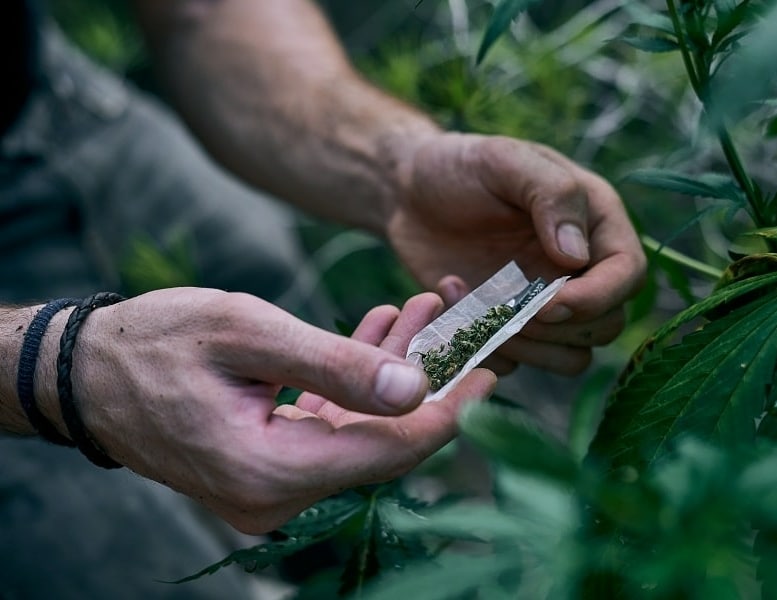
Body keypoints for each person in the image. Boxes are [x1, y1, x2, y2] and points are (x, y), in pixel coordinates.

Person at [0, 0, 646, 597]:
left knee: (256, 274)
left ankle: (349, 547)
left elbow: (205, 8)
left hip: (39, 96)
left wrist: (398, 166)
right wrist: (50, 366)